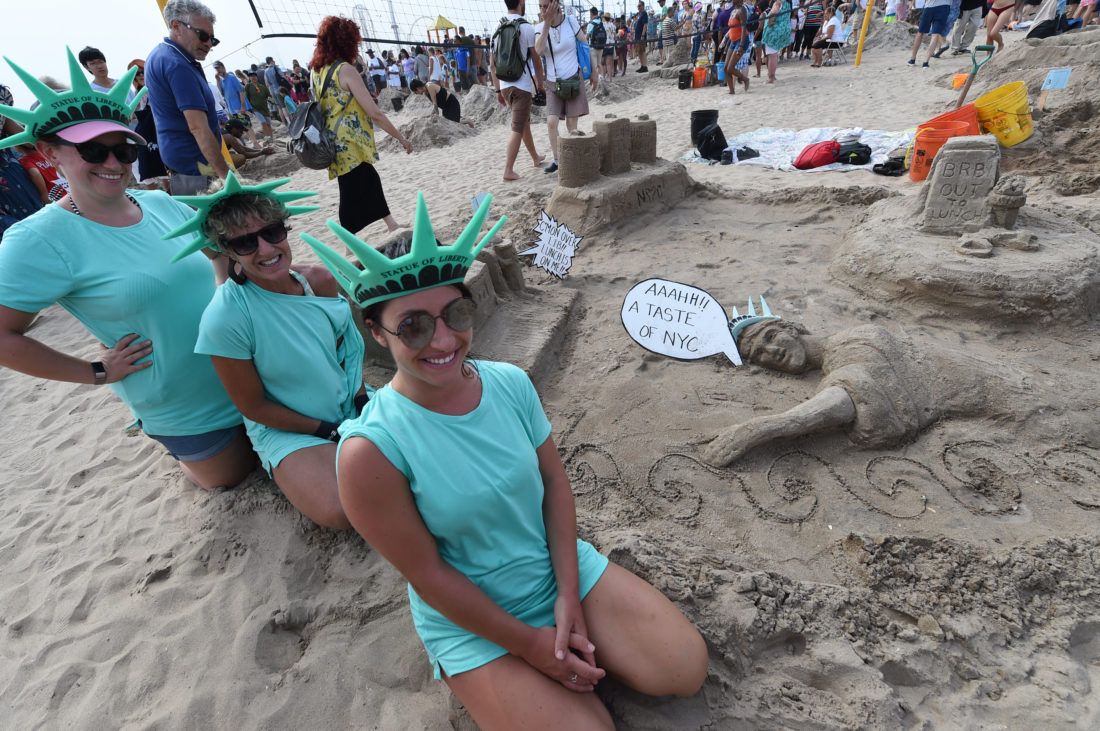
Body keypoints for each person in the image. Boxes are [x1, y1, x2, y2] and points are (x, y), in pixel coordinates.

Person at [298, 192, 709, 730]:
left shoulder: (509, 383)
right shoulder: (369, 451)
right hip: (469, 616)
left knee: (683, 669)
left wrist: (568, 597)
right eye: (414, 326)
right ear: (376, 332)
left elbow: (555, 488)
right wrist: (533, 646)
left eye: (455, 313)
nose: (443, 339)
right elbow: (428, 575)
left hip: (552, 569)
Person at [0, 51, 255, 489]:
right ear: (49, 151)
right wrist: (95, 372)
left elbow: (215, 256)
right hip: (182, 404)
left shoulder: (161, 203)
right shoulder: (38, 240)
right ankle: (162, 437)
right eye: (93, 150)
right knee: (228, 478)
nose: (113, 163)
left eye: (123, 149)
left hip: (249, 370)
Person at [165, 174, 361, 529]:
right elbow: (253, 406)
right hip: (288, 425)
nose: (267, 250)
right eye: (245, 243)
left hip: (345, 401)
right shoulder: (225, 318)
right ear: (224, 250)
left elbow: (347, 351)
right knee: (341, 510)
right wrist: (329, 431)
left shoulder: (318, 281)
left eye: (272, 232)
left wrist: (360, 403)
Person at [310, 16, 411, 234]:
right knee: (349, 192)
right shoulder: (345, 70)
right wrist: (401, 138)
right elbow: (374, 113)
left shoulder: (315, 72)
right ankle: (349, 242)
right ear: (346, 42)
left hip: (332, 139)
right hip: (349, 141)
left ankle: (390, 224)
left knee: (368, 180)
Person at [145, 0, 228, 195]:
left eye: (212, 39)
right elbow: (197, 127)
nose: (208, 44)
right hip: (196, 167)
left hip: (183, 167)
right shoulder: (177, 65)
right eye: (203, 35)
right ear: (176, 26)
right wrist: (226, 176)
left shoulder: (159, 55)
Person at [490, 0, 547, 182]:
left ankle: (535, 158)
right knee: (517, 127)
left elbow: (492, 65)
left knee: (524, 124)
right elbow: (536, 60)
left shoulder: (496, 28)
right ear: (521, 2)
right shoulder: (526, 27)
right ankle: (508, 169)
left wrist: (498, 90)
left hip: (505, 85)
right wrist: (540, 84)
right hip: (521, 86)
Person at [536, 0, 591, 177]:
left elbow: (584, 43)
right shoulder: (539, 27)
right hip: (553, 82)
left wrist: (593, 70)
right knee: (551, 122)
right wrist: (546, 23)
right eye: (540, 6)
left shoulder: (571, 21)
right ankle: (558, 160)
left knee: (571, 125)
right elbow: (538, 50)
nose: (543, 9)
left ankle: (574, 161)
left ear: (556, 4)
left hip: (574, 78)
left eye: (546, 6)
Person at [720, 0, 753, 92]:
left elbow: (743, 29)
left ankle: (745, 79)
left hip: (741, 41)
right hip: (733, 41)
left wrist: (741, 46)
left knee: (730, 68)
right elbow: (731, 29)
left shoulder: (742, 10)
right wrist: (726, 42)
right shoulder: (734, 10)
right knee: (726, 68)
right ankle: (731, 90)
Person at [908, 0, 952, 64]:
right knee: (935, 34)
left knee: (920, 33)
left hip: (930, 7)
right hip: (944, 7)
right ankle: (926, 62)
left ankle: (912, 59)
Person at [761, 0, 792, 82]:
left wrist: (769, 25)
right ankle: (772, 76)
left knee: (772, 55)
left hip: (774, 31)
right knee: (774, 54)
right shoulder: (787, 3)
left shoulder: (778, 3)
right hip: (784, 29)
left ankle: (771, 77)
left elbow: (773, 15)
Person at [245, 71, 277, 144]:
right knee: (263, 122)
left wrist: (273, 102)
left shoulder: (263, 87)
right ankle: (268, 138)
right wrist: (249, 109)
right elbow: (246, 98)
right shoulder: (248, 86)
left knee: (268, 123)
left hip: (265, 108)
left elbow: (268, 96)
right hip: (255, 109)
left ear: (257, 77)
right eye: (251, 76)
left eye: (254, 76)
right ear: (249, 78)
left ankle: (271, 138)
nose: (253, 77)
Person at [263, 56, 291, 126]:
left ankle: (284, 123)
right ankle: (289, 121)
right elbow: (283, 76)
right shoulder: (275, 68)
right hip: (280, 89)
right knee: (284, 106)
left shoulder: (265, 71)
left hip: (272, 91)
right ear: (271, 61)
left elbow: (267, 84)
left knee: (279, 107)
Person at [634, 2, 651, 71]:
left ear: (643, 6)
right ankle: (642, 66)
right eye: (638, 6)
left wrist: (643, 35)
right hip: (638, 36)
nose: (638, 7)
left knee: (642, 51)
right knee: (639, 51)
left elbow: (645, 25)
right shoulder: (640, 14)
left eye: (639, 6)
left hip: (641, 36)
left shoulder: (644, 14)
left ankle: (645, 66)